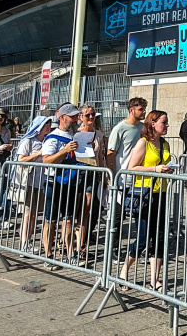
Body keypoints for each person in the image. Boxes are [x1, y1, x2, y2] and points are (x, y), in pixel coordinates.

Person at [119, 110, 174, 291]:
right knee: (143, 237)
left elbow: (163, 164)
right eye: (163, 122)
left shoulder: (164, 144)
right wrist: (155, 170)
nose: (166, 126)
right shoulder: (143, 143)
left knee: (159, 237)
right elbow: (131, 167)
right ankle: (124, 271)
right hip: (144, 194)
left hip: (161, 192)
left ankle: (154, 279)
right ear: (153, 123)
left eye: (166, 123)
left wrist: (168, 169)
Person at [41, 103, 82, 269]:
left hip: (70, 182)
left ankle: (70, 253)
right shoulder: (52, 137)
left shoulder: (75, 136)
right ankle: (48, 255)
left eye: (75, 117)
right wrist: (64, 151)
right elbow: (46, 160)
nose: (74, 120)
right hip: (54, 182)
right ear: (62, 117)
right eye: (71, 117)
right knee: (50, 220)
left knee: (69, 219)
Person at [15, 115, 53, 254]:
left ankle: (28, 240)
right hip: (29, 181)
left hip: (42, 181)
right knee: (28, 212)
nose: (48, 127)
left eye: (49, 124)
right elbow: (21, 159)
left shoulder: (48, 140)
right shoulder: (28, 141)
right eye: (45, 125)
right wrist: (38, 154)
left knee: (35, 213)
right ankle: (24, 243)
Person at [75, 103, 107, 266]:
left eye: (93, 114)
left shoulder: (98, 134)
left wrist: (104, 173)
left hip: (92, 172)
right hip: (77, 173)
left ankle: (82, 245)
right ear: (80, 117)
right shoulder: (75, 133)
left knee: (87, 208)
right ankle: (65, 242)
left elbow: (100, 156)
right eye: (87, 115)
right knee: (74, 209)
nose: (91, 117)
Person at [107, 98, 147, 174]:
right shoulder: (119, 129)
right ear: (131, 110)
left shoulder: (144, 128)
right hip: (122, 176)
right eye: (141, 109)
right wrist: (111, 176)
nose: (144, 112)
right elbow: (111, 154)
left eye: (144, 109)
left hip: (139, 176)